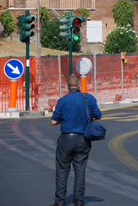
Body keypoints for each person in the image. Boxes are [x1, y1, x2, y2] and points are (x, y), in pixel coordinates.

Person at [50, 74, 102, 206]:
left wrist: (65, 119)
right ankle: (78, 202)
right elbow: (98, 116)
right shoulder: (89, 98)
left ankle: (59, 201)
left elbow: (53, 121)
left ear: (67, 86)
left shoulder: (62, 100)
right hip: (83, 139)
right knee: (80, 171)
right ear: (79, 85)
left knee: (62, 170)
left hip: (66, 139)